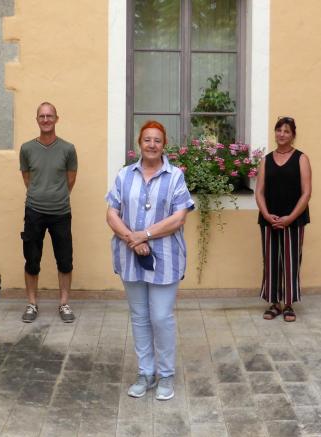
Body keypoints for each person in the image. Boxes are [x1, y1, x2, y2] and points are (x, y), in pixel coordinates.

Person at [106, 120, 194, 401]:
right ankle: (146, 372)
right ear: (139, 143)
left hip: (165, 258)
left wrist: (143, 235)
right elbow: (111, 213)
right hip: (130, 257)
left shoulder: (175, 176)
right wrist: (132, 239)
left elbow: (179, 218)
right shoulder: (124, 175)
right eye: (147, 140)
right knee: (140, 317)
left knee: (161, 317)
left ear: (164, 144)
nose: (152, 145)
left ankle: (166, 375)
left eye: (157, 140)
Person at [18, 102, 78, 323]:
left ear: (56, 119)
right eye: (42, 116)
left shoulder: (68, 149)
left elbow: (70, 179)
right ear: (37, 120)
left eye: (49, 116)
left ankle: (64, 303)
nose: (45, 120)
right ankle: (32, 304)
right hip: (34, 212)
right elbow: (27, 179)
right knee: (32, 260)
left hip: (61, 213)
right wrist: (40, 194)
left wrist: (56, 195)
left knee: (65, 260)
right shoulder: (26, 149)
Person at [255, 117, 311, 322]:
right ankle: (273, 303)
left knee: (291, 261)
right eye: (279, 130)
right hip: (269, 218)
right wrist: (267, 214)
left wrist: (290, 218)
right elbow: (259, 192)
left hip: (293, 219)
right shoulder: (266, 160)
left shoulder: (301, 158)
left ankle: (288, 304)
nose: (282, 134)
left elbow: (306, 193)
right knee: (270, 261)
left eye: (286, 131)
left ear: (293, 135)